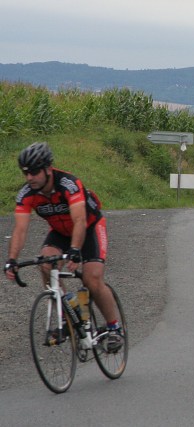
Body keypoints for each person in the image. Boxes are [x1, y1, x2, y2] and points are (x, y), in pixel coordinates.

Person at [3, 142, 124, 350]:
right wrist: (12, 259)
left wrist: (75, 250)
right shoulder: (26, 194)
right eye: (25, 173)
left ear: (48, 169)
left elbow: (79, 220)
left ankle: (114, 328)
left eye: (34, 172)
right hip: (60, 232)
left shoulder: (69, 184)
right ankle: (70, 310)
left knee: (92, 278)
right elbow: (20, 229)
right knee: (45, 263)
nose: (29, 178)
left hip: (89, 227)